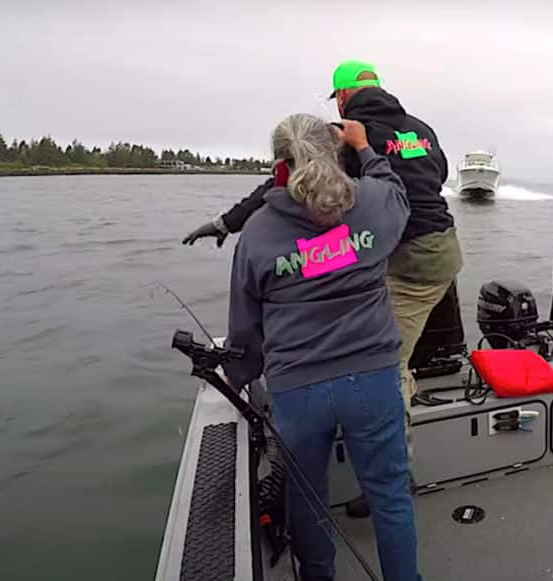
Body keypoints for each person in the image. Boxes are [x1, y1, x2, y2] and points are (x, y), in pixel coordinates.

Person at [186, 60, 463, 409]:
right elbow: (438, 176)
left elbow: (284, 183)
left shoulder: (348, 135)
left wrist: (228, 222)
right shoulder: (421, 129)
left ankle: (386, 433)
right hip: (443, 248)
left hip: (407, 260)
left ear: (343, 96)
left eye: (338, 99)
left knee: (386, 366)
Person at [222, 114, 422, 581]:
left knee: (307, 501)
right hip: (372, 380)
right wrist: (367, 148)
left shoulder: (256, 233)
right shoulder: (372, 203)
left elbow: (245, 326)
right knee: (389, 494)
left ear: (280, 168)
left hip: (297, 393)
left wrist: (242, 374)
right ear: (336, 154)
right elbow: (396, 193)